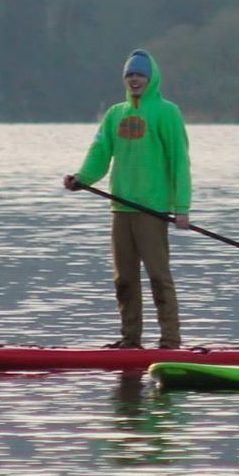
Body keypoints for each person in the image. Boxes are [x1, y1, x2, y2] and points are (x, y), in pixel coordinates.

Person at [64, 49, 192, 349]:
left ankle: (170, 341)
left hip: (152, 209)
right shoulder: (115, 114)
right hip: (121, 208)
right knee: (124, 280)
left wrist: (182, 208)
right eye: (130, 75)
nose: (135, 80)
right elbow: (99, 154)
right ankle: (130, 339)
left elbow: (180, 162)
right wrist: (81, 178)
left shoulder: (167, 112)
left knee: (159, 277)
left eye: (140, 75)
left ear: (152, 78)